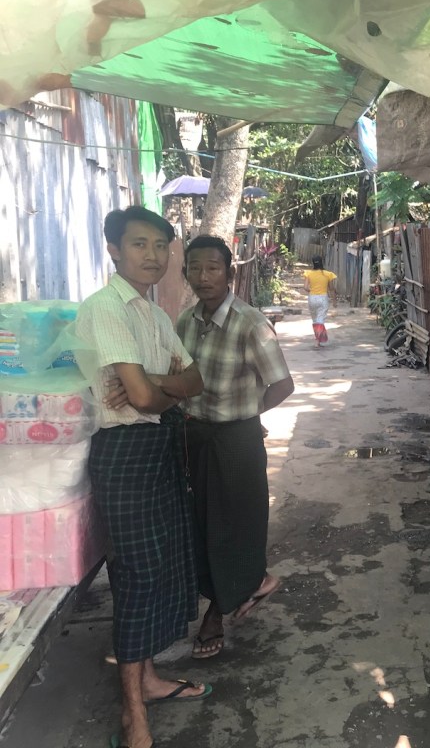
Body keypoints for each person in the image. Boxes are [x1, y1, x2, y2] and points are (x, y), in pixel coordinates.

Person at [74, 206, 209, 748]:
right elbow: (150, 398)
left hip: (159, 446)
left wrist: (154, 384)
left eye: (160, 245)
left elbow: (193, 380)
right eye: (138, 244)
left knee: (164, 566)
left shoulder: (155, 316)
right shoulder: (105, 309)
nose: (152, 256)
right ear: (113, 249)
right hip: (124, 452)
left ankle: (149, 679)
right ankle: (133, 714)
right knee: (135, 576)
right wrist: (160, 389)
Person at [177, 236, 294, 660]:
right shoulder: (185, 321)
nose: (203, 276)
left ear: (229, 273)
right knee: (201, 523)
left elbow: (283, 384)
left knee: (235, 525)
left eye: (212, 267)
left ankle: (217, 611)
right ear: (185, 273)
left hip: (236, 439)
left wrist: (247, 413)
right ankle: (251, 583)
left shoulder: (250, 323)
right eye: (194, 267)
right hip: (195, 435)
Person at [303, 255, 337, 349]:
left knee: (315, 320)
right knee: (320, 319)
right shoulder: (328, 274)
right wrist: (334, 300)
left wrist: (311, 291)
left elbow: (305, 287)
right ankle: (318, 340)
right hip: (323, 298)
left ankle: (317, 339)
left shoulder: (308, 273)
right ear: (322, 262)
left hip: (312, 298)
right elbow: (331, 289)